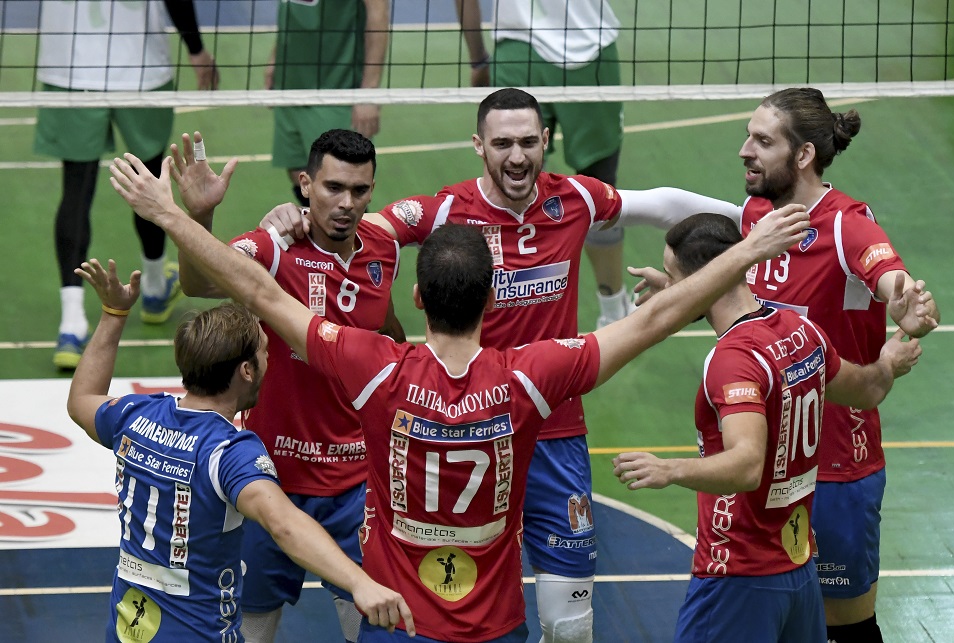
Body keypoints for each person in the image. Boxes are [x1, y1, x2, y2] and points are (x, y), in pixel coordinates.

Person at [109, 147, 811, 642]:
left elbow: (260, 292)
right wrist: (743, 253)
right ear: (491, 298)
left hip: (401, 624)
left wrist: (170, 215)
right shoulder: (531, 377)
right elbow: (653, 320)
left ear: (416, 297)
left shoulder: (374, 369)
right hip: (493, 626)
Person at [259, 87, 751, 642]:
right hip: (476, 423)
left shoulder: (576, 198)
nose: (516, 156)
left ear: (545, 141)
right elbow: (360, 226)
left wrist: (748, 217)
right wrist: (295, 217)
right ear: (479, 145)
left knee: (570, 625)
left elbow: (656, 204)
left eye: (527, 142)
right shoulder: (447, 210)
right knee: (445, 590)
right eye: (501, 144)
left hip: (554, 431)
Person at [629, 88, 940, 643]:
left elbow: (889, 276)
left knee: (846, 626)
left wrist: (904, 302)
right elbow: (749, 313)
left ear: (803, 155)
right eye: (748, 136)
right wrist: (683, 291)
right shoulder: (759, 217)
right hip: (770, 473)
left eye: (762, 141)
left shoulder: (847, 225)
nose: (744, 150)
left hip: (836, 467)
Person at [65, 259, 413, 642]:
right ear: (246, 370)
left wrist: (114, 314)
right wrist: (359, 582)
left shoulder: (135, 415)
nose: (270, 358)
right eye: (265, 351)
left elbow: (81, 400)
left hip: (128, 630)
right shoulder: (229, 452)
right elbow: (283, 524)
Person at [170, 128, 404, 642]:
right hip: (269, 479)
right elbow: (197, 282)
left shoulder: (384, 250)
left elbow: (388, 330)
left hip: (356, 485)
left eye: (359, 190)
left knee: (370, 625)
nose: (346, 203)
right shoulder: (274, 248)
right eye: (333, 187)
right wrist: (200, 215)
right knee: (252, 630)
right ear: (305, 184)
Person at [36, 0, 218, 369]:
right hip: (140, 67)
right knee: (149, 178)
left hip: (69, 65)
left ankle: (72, 324)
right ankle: (154, 287)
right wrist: (196, 48)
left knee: (76, 190)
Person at [457, 0, 631, 329]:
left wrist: (478, 57)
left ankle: (512, 307)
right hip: (584, 44)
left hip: (523, 50)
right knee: (600, 189)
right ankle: (613, 309)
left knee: (511, 187)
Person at [269, 0, 389, 208]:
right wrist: (275, 58)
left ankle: (358, 230)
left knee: (343, 181)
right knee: (300, 172)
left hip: (336, 87)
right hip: (290, 82)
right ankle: (324, 230)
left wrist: (368, 93)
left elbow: (378, 14)